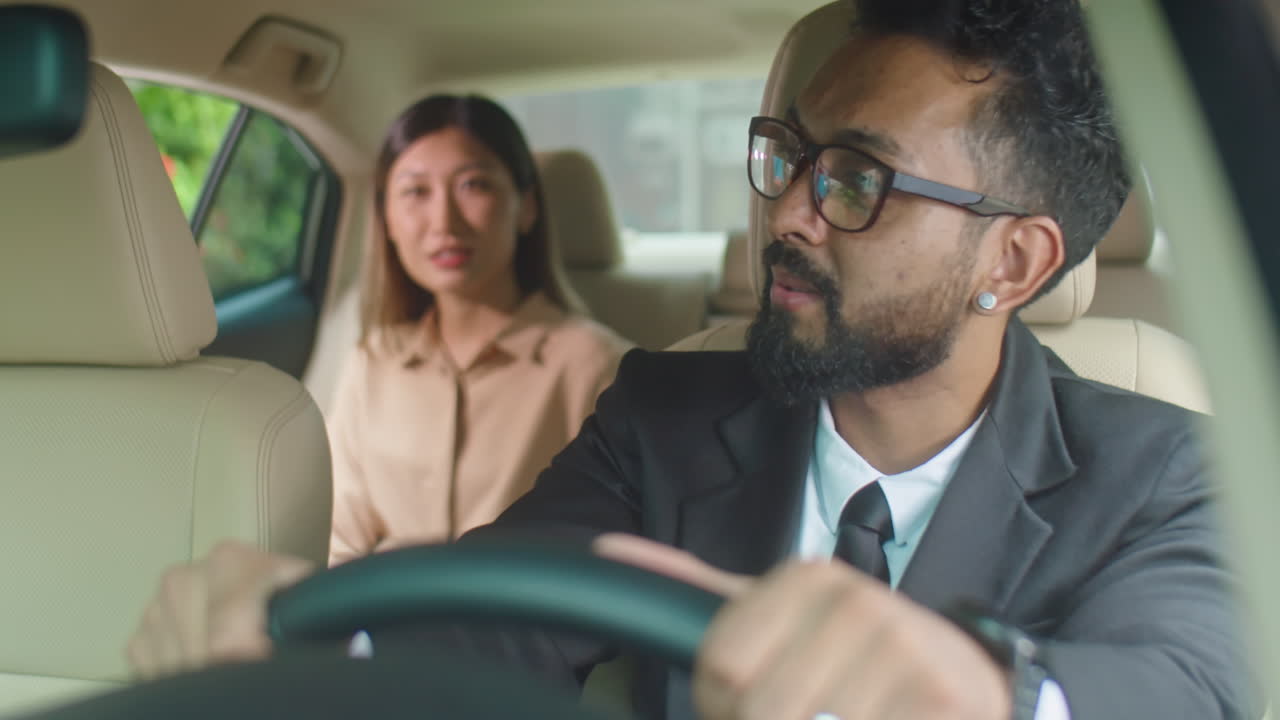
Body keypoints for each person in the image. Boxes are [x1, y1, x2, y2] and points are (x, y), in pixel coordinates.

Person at [127, 1, 1256, 719]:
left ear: (1010, 262)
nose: (789, 216)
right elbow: (501, 607)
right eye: (787, 156)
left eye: (855, 179)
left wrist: (991, 698)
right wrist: (324, 640)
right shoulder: (663, 411)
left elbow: (1189, 682)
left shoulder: (1171, 466)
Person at [326, 95, 630, 564]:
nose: (444, 222)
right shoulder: (372, 363)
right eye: (415, 192)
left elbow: (619, 551)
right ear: (386, 217)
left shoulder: (595, 365)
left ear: (526, 207)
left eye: (473, 185)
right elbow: (339, 542)